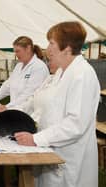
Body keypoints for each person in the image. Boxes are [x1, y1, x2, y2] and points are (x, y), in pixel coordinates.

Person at [14, 21, 100, 187]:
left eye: (52, 43)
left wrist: (36, 138)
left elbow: (75, 124)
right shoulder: (61, 72)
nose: (48, 48)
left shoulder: (82, 75)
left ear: (67, 48)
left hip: (69, 157)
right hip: (52, 150)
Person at [0, 36, 49, 112]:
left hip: (29, 114)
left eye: (18, 51)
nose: (16, 54)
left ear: (28, 48)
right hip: (16, 111)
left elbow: (29, 94)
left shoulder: (39, 67)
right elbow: (7, 85)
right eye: (15, 51)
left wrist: (8, 107)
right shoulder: (19, 66)